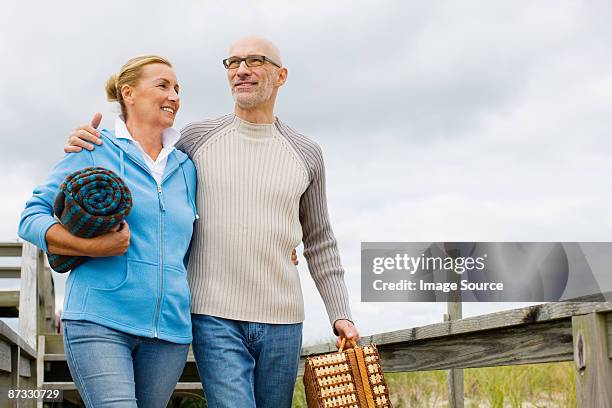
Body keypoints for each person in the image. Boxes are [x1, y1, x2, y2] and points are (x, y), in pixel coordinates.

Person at [65, 36, 360, 408]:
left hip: (284, 320)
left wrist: (341, 315)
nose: (241, 70)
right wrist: (93, 140)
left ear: (281, 75)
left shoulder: (307, 153)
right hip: (213, 317)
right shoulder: (194, 139)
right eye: (233, 62)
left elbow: (319, 240)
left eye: (255, 61)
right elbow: (145, 157)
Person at [19, 55, 197, 407]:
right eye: (162, 85)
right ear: (128, 93)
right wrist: (92, 246)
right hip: (99, 322)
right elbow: (31, 217)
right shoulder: (93, 148)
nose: (174, 96)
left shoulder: (187, 165)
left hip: (170, 333)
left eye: (177, 89)